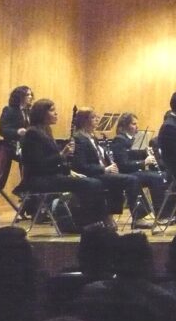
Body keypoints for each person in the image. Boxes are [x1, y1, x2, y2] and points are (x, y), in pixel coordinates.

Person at [17, 98, 111, 228]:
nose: (56, 113)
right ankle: (92, 222)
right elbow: (38, 165)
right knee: (92, 184)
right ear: (41, 113)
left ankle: (93, 221)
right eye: (52, 110)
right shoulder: (32, 133)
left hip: (50, 176)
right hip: (38, 180)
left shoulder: (45, 131)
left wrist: (69, 171)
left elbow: (52, 162)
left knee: (92, 182)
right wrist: (62, 154)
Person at [71, 108, 153, 229]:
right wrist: (104, 169)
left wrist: (112, 165)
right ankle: (136, 218)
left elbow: (100, 156)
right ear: (84, 120)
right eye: (93, 117)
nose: (97, 120)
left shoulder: (91, 137)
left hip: (101, 172)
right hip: (92, 175)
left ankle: (109, 215)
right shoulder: (79, 138)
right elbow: (81, 165)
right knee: (131, 180)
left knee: (124, 179)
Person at [108, 112, 167, 216]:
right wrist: (143, 162)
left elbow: (133, 154)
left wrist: (145, 152)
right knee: (155, 178)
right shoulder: (119, 140)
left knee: (158, 176)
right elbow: (123, 164)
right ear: (125, 126)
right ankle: (161, 214)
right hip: (125, 173)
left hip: (134, 172)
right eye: (134, 124)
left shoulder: (131, 139)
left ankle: (162, 212)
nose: (137, 127)